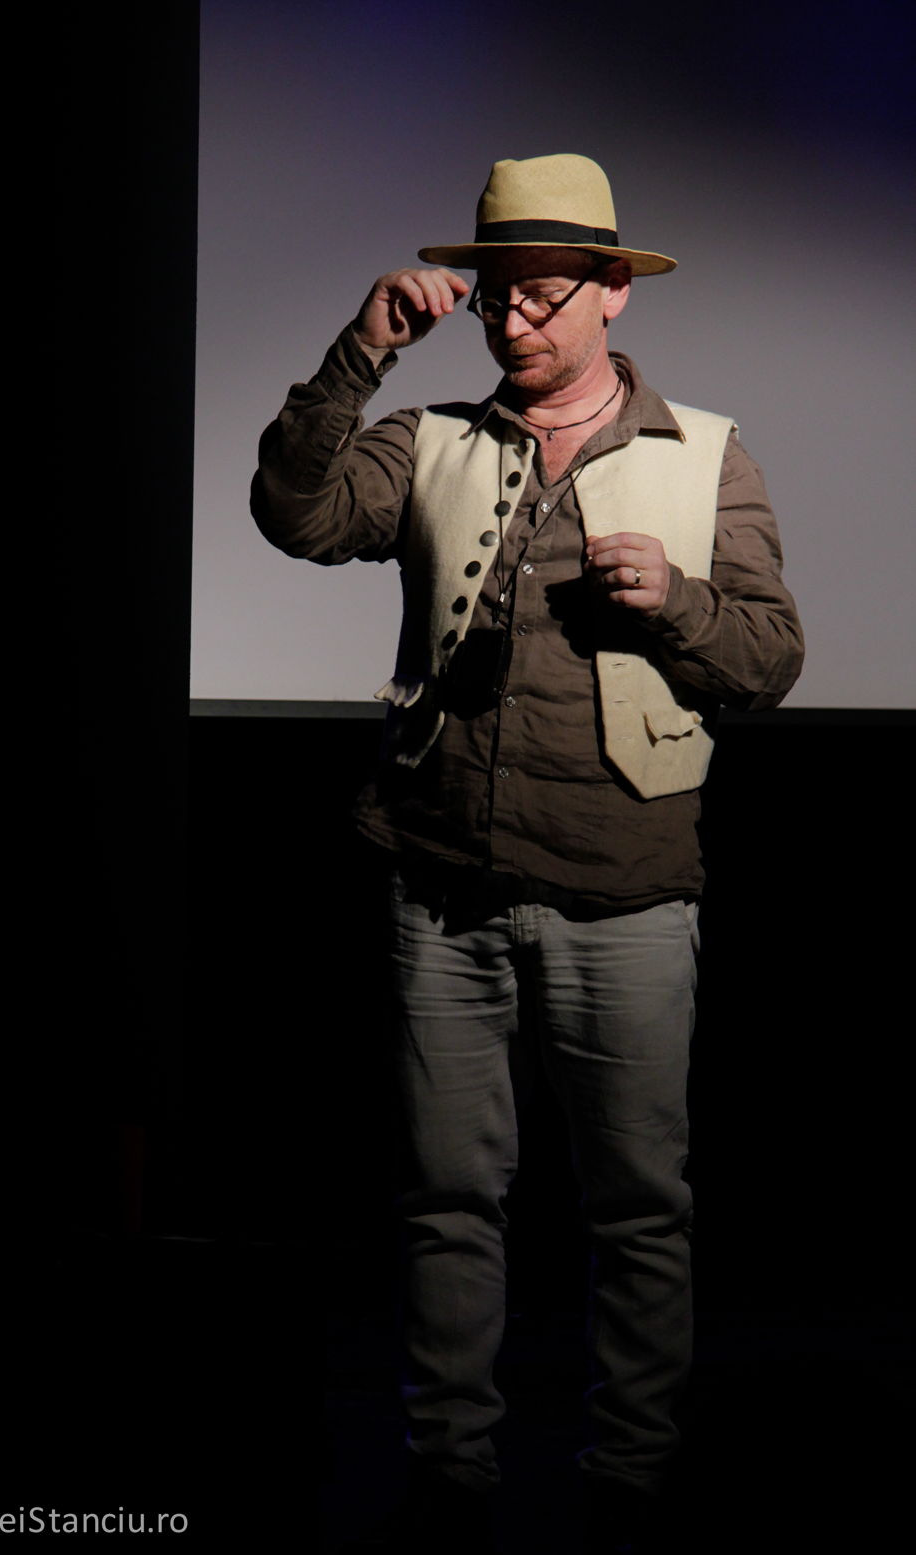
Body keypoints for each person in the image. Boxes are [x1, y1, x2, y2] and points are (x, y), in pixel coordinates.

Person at [251, 154, 803, 1554]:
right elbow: (296, 515)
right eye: (495, 296)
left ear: (612, 293)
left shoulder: (706, 453)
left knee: (638, 1209)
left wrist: (676, 601)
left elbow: (769, 660)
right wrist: (358, 353)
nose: (511, 322)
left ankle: (633, 1476)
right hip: (441, 882)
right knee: (446, 1201)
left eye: (542, 296)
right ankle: (450, 1472)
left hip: (625, 890)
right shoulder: (430, 439)